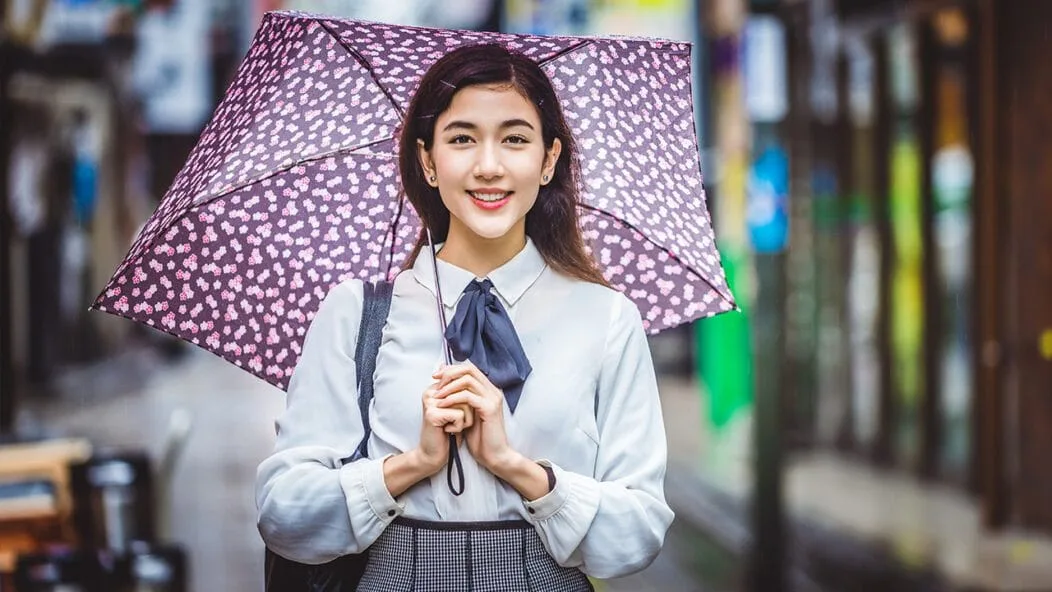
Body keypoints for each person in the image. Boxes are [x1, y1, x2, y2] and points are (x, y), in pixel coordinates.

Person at [256, 43, 674, 590]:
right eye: (462, 139)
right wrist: (411, 464)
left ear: (548, 160)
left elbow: (639, 531)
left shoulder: (605, 317)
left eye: (515, 139)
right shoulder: (356, 314)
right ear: (428, 161)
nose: (489, 166)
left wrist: (517, 467)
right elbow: (283, 513)